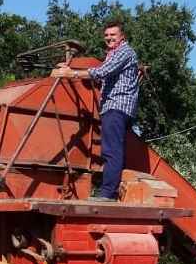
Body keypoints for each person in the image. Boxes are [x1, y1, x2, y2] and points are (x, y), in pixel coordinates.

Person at [51, 21, 140, 202]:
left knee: (111, 151)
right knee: (110, 150)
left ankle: (107, 194)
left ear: (122, 36)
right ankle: (108, 190)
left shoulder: (124, 52)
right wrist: (73, 68)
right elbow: (101, 74)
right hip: (112, 106)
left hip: (117, 105)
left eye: (113, 35)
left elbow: (102, 72)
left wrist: (71, 74)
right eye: (106, 35)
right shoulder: (113, 54)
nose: (109, 38)